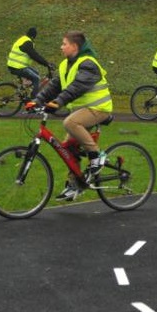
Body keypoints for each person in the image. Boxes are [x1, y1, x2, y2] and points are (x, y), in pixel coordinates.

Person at [26, 31, 113, 201]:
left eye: (64, 43)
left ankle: (97, 156)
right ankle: (75, 185)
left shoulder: (88, 64)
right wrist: (37, 101)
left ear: (75, 46)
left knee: (70, 123)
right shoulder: (66, 65)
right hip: (82, 110)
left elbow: (77, 87)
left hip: (99, 108)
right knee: (69, 148)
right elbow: (55, 86)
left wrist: (58, 102)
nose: (61, 47)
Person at [7, 27, 55, 98]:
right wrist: (46, 64)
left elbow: (34, 55)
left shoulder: (23, 39)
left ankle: (26, 88)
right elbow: (34, 55)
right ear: (33, 36)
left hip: (14, 65)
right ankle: (33, 99)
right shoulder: (27, 43)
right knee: (36, 78)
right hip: (18, 67)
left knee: (36, 73)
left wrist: (46, 63)